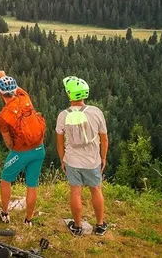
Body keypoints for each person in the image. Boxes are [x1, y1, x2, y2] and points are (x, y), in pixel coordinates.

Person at [56, 76, 109, 236]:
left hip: (72, 160)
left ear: (70, 94)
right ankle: (99, 226)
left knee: (76, 192)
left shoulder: (63, 115)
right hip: (92, 161)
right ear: (85, 94)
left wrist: (62, 159)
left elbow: (59, 141)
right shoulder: (96, 112)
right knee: (96, 190)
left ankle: (77, 227)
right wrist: (103, 158)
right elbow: (104, 138)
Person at [0, 69, 46, 227]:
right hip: (39, 149)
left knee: (6, 179)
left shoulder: (3, 116)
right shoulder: (25, 98)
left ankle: (5, 213)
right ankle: (28, 220)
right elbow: (16, 88)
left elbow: (8, 142)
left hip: (20, 152)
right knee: (32, 184)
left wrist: (15, 150)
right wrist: (4, 76)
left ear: (0, 93)